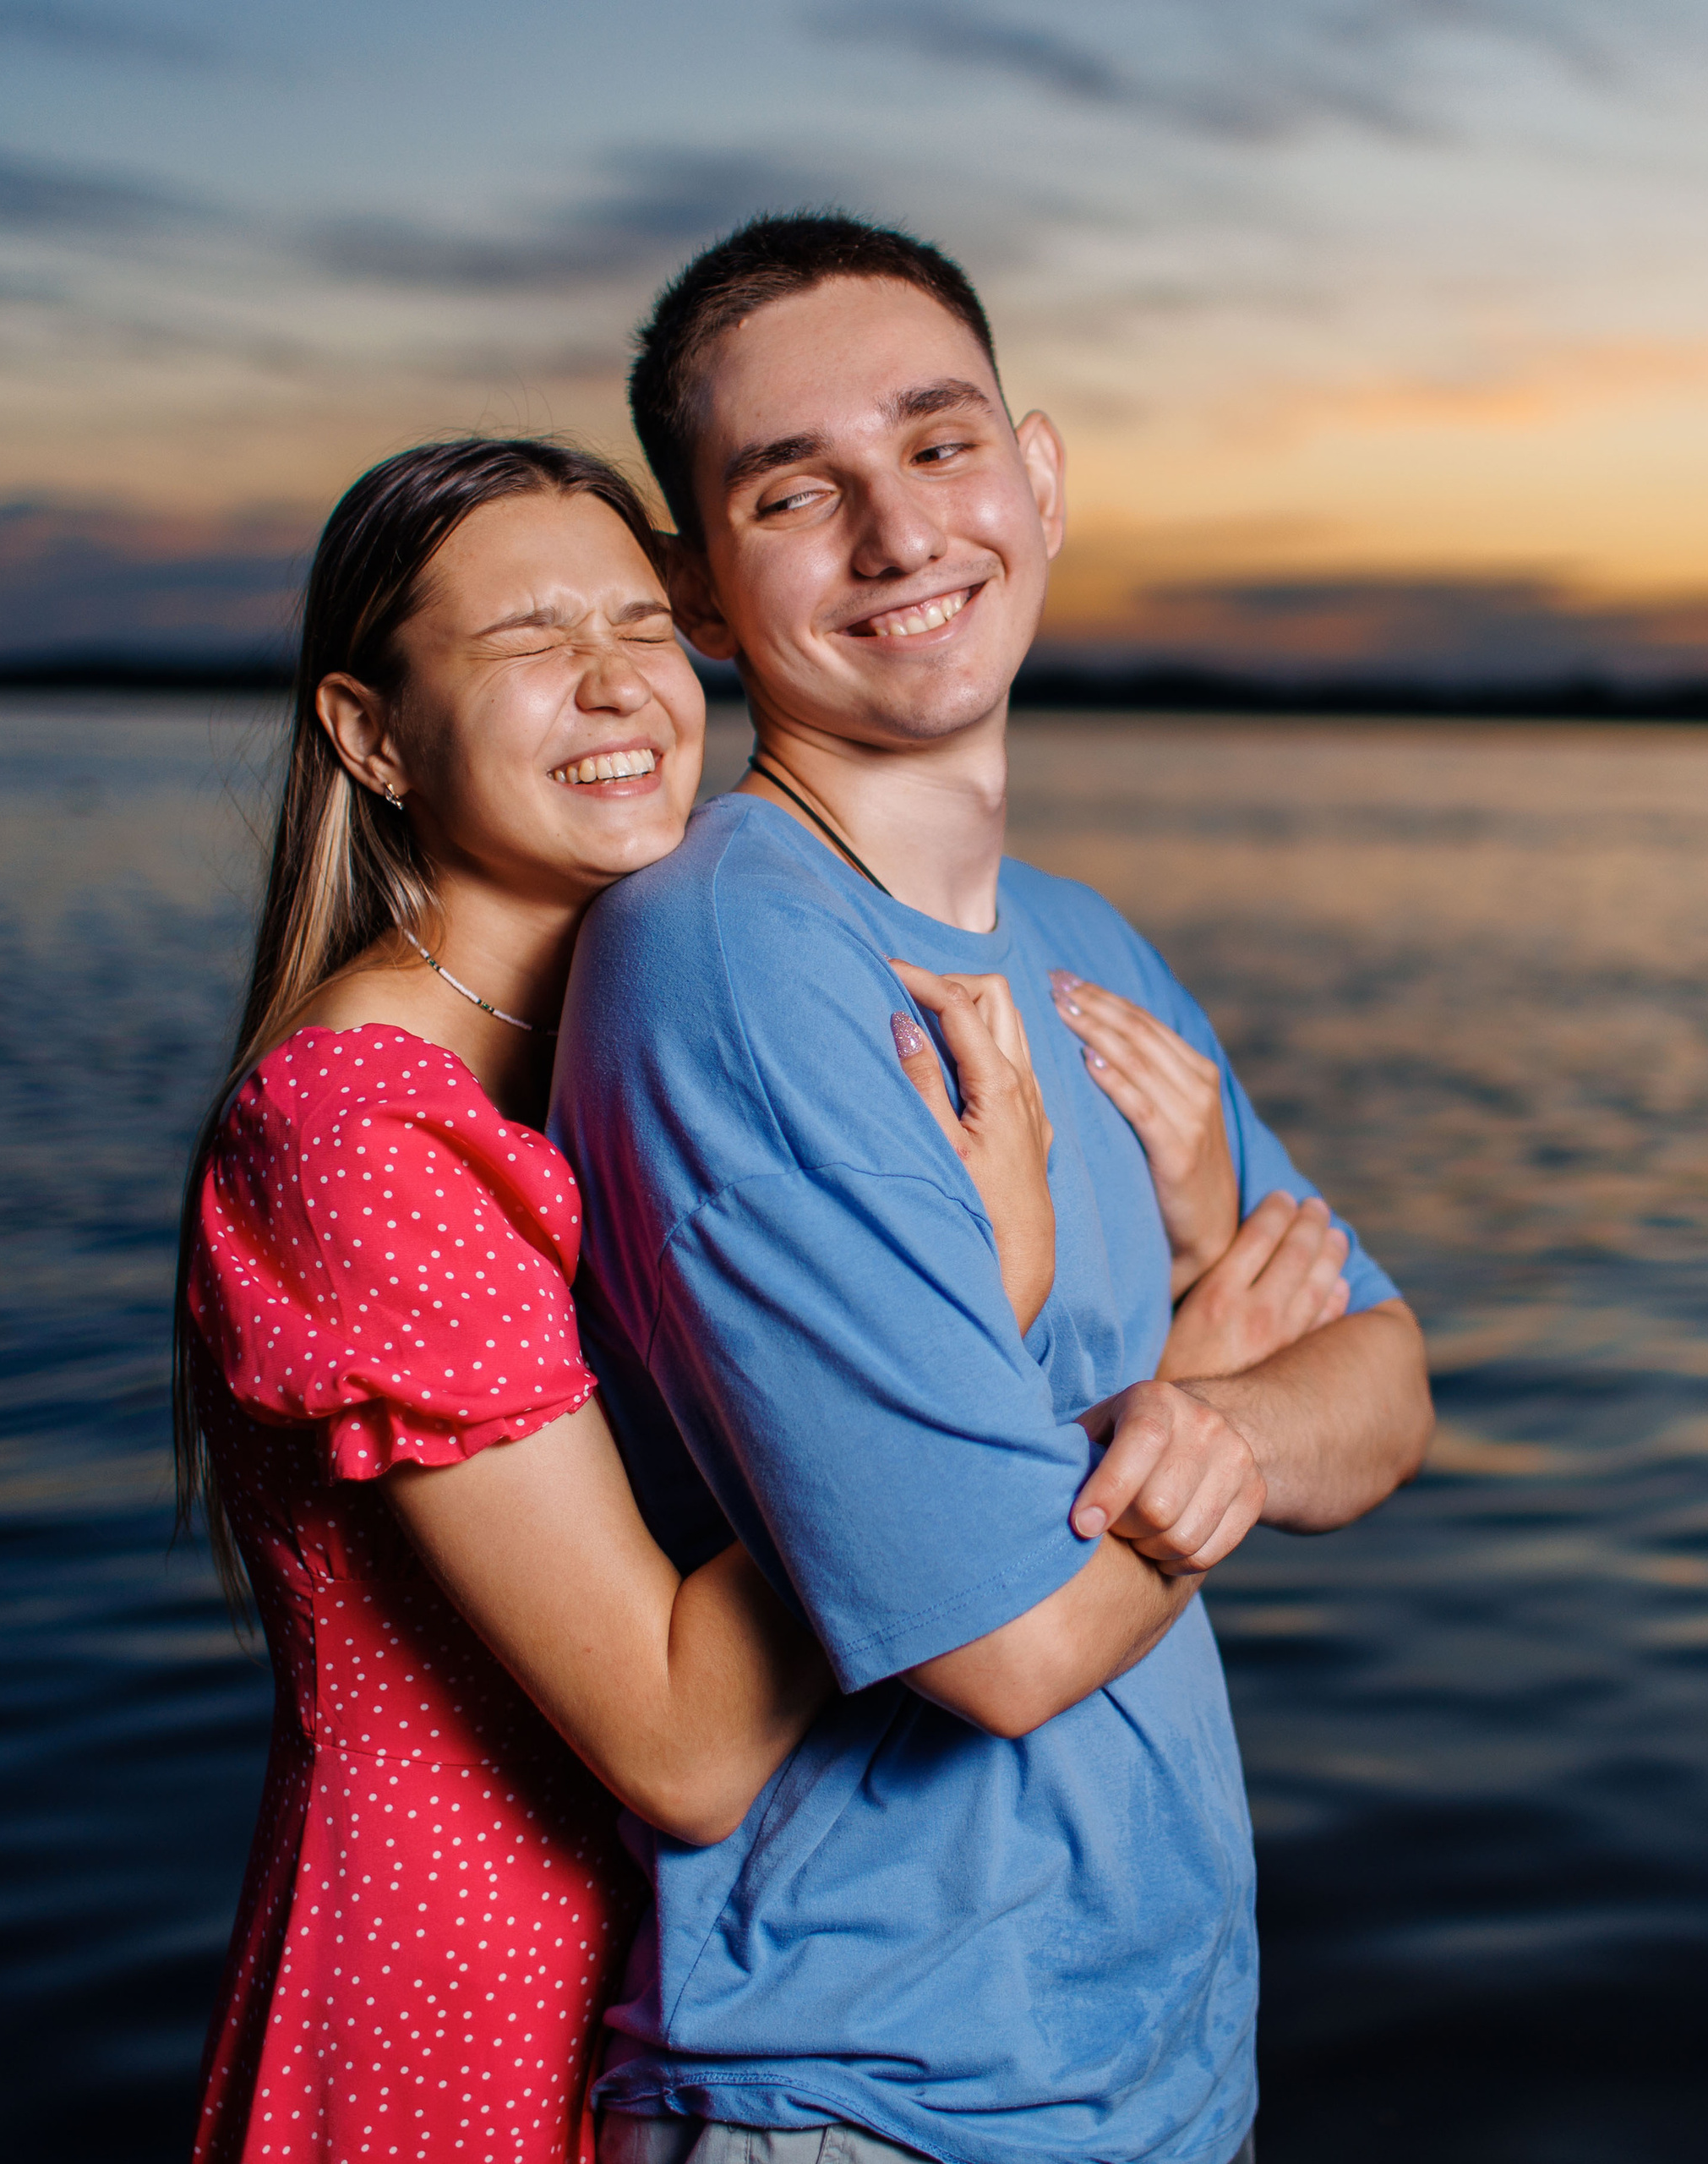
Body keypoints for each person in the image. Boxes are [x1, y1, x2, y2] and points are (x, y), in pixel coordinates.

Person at [174, 436, 1315, 2164]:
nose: (617, 680)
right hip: (465, 2001)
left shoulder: (641, 1031)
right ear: (370, 730)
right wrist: (980, 1299)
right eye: (526, 638)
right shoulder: (355, 1132)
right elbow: (687, 1739)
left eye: (644, 619)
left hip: (699, 1978)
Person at [554, 216, 1435, 2164]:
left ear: (1037, 481)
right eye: (798, 490)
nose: (896, 534)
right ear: (700, 588)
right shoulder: (726, 957)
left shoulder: (1078, 938)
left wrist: (1196, 1385)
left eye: (939, 447)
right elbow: (999, 1642)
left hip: (1156, 2068)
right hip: (858, 2090)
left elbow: (1386, 1389)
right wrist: (1205, 1422)